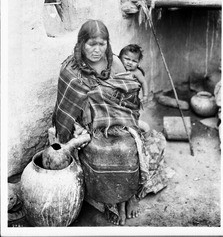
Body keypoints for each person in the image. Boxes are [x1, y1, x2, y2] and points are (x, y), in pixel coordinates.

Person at [52, 19, 168, 226]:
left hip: (119, 120)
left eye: (102, 44)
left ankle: (129, 197)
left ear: (108, 43)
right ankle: (114, 202)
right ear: (81, 44)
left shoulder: (114, 62)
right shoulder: (70, 70)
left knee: (136, 145)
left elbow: (128, 97)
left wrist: (125, 119)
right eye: (91, 44)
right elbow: (66, 110)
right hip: (87, 127)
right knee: (103, 153)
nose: (97, 50)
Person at [119, 44, 150, 137]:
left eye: (134, 61)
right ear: (120, 58)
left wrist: (145, 96)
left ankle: (133, 127)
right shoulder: (118, 68)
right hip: (119, 98)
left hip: (131, 99)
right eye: (127, 59)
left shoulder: (136, 72)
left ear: (138, 63)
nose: (130, 63)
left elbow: (144, 82)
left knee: (132, 115)